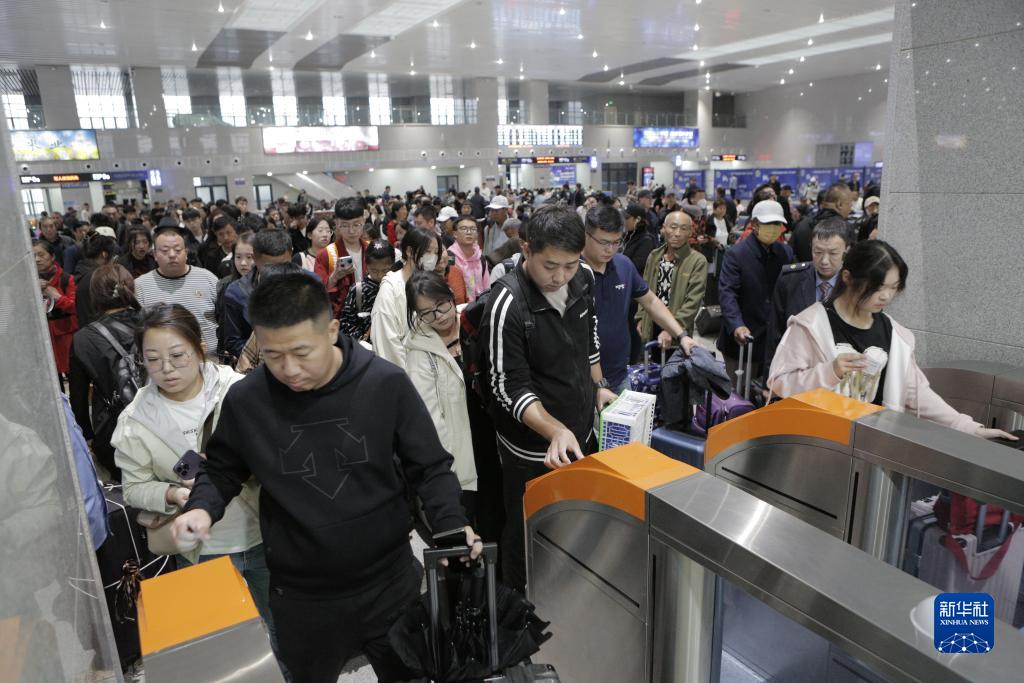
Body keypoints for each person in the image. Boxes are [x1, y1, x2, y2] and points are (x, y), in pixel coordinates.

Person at [171, 272, 481, 683]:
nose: (289, 369)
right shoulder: (248, 400)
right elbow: (222, 467)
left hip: (390, 584)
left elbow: (430, 466)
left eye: (302, 352)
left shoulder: (383, 383)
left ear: (332, 331)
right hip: (302, 596)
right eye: (273, 355)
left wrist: (451, 524)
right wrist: (201, 509)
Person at [483, 205, 618, 590]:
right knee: (527, 528)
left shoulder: (584, 277)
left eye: (570, 265)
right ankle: (520, 604)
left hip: (578, 432)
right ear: (526, 249)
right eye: (550, 266)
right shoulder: (507, 302)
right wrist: (554, 430)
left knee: (572, 518)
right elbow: (507, 385)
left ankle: (567, 592)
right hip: (530, 448)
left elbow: (588, 339)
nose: (560, 277)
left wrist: (599, 387)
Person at [111, 304, 270, 627]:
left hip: (265, 537)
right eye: (153, 359)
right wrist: (172, 494)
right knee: (223, 638)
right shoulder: (137, 420)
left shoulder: (237, 391)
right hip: (202, 550)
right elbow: (134, 488)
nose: (166, 369)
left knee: (282, 630)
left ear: (199, 349)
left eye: (177, 356)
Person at [768, 241, 1017, 442]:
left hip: (871, 449)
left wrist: (968, 427)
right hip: (814, 445)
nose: (886, 296)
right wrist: (829, 372)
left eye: (893, 287)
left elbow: (916, 392)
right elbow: (780, 383)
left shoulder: (894, 333)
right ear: (847, 277)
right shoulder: (811, 324)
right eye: (877, 287)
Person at [583, 206, 697, 393]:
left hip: (619, 375)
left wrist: (681, 335)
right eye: (603, 242)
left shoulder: (623, 265)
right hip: (581, 381)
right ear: (586, 235)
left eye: (616, 242)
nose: (610, 249)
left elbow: (651, 302)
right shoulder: (571, 271)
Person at [404, 271, 479, 518]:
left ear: (451, 296)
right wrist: (445, 468)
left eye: (442, 305)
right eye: (426, 313)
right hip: (460, 452)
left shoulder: (472, 324)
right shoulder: (419, 351)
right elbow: (431, 419)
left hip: (490, 437)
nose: (439, 317)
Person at [69, 264, 142, 480]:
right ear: (131, 288)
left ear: (94, 296)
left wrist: (88, 437)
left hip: (114, 433)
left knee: (129, 487)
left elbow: (78, 398)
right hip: (167, 423)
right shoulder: (157, 319)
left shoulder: (83, 339)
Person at [717, 200, 794, 383]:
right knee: (739, 392)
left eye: (777, 224)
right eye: (768, 223)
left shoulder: (785, 253)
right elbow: (728, 293)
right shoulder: (736, 254)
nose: (773, 228)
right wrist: (736, 324)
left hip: (774, 340)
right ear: (755, 224)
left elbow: (791, 290)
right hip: (743, 339)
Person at [765, 219, 850, 371]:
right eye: (818, 252)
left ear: (846, 250)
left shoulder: (854, 285)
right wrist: (770, 377)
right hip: (796, 370)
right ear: (811, 247)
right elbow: (775, 334)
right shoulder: (790, 280)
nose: (824, 261)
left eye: (833, 253)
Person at [134, 224, 221, 355]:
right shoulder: (140, 285)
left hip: (209, 357)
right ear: (154, 254)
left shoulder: (208, 278)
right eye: (165, 251)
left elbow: (223, 318)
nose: (172, 255)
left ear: (186, 252)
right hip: (163, 361)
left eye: (178, 250)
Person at [371, 228, 440, 368]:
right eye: (427, 251)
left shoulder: (433, 283)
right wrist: (406, 375)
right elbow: (388, 342)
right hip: (406, 369)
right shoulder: (391, 289)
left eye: (436, 252)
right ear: (409, 251)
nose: (432, 257)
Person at [223, 229, 294, 360]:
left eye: (283, 265)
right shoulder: (236, 292)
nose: (277, 272)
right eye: (270, 266)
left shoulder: (310, 283)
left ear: (291, 254)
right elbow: (233, 341)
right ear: (255, 258)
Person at [315, 197, 368, 318]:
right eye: (345, 225)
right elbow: (318, 293)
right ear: (337, 224)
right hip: (341, 317)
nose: (351, 231)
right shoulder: (326, 255)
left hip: (372, 314)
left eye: (356, 224)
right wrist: (335, 276)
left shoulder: (371, 249)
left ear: (364, 221)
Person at [34, 239, 78, 380]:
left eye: (41, 255)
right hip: (42, 337)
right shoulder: (29, 282)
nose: (37, 259)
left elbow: (75, 307)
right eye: (33, 256)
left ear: (52, 256)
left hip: (67, 336)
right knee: (50, 378)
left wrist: (57, 297)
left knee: (75, 376)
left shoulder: (66, 279)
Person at [338, 240, 395, 343]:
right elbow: (345, 325)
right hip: (365, 347)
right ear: (366, 266)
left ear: (393, 265)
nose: (380, 275)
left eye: (385, 270)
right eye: (374, 271)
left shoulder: (397, 287)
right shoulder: (358, 290)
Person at [791, 183, 854, 262]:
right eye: (850, 204)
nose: (851, 209)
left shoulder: (802, 225)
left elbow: (791, 256)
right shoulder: (846, 228)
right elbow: (851, 262)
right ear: (840, 204)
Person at [451, 215, 490, 302]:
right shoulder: (450, 258)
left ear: (477, 234)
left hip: (479, 306)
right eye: (464, 228)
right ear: (455, 234)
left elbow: (487, 288)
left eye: (473, 229)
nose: (469, 232)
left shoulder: (481, 258)